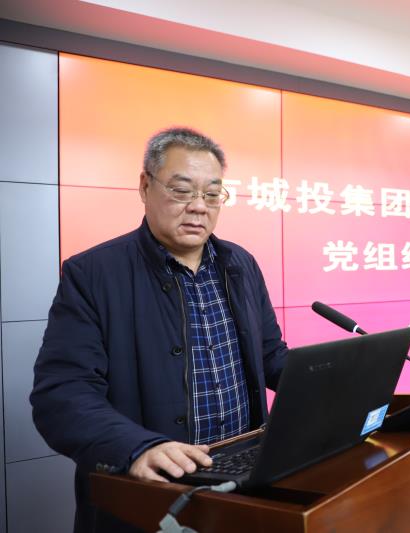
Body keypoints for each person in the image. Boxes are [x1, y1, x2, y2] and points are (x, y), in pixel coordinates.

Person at [30, 127, 288, 533]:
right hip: (154, 496)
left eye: (212, 194)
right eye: (182, 191)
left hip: (242, 484)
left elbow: (270, 355)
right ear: (144, 187)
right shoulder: (93, 274)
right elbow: (62, 393)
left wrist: (329, 385)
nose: (199, 207)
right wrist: (136, 448)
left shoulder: (240, 264)